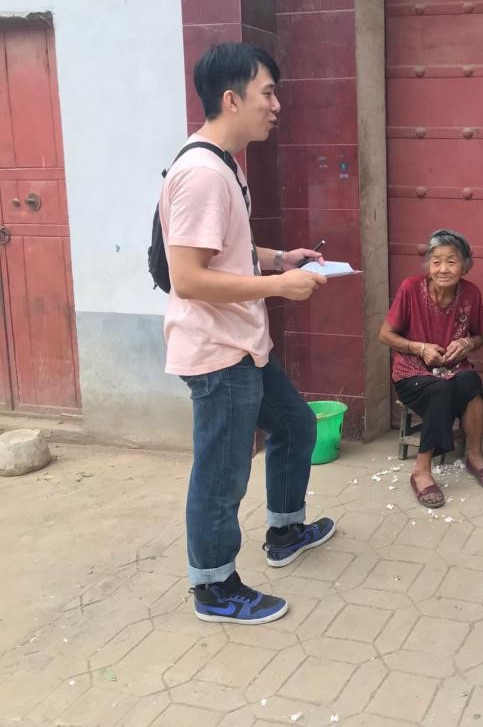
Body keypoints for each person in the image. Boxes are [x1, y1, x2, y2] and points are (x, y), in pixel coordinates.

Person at [161, 42, 337, 625]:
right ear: (231, 99)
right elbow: (188, 277)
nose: (276, 105)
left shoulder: (226, 166)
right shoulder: (201, 174)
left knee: (296, 424)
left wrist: (280, 259)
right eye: (268, 93)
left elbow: (225, 250)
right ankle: (214, 587)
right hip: (219, 355)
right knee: (222, 475)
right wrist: (279, 287)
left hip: (244, 345)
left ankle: (285, 531)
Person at [379, 229, 483, 509]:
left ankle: (475, 456)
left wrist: (468, 343)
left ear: (465, 265)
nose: (443, 269)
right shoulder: (411, 287)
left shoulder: (471, 293)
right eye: (436, 261)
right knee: (442, 390)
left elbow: (481, 336)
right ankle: (421, 470)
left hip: (452, 370)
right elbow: (385, 334)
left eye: (451, 261)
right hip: (412, 373)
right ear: (428, 266)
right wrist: (420, 348)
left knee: (471, 382)